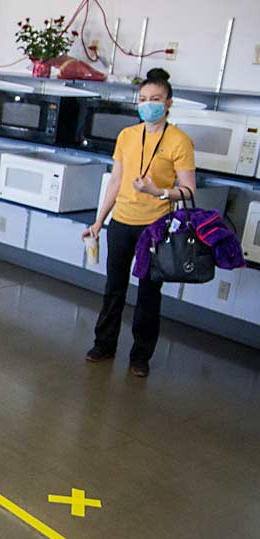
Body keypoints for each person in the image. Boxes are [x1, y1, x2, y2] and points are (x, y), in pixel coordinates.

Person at [81, 68, 196, 378]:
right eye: (143, 99)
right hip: (121, 222)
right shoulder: (127, 136)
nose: (148, 105)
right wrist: (98, 221)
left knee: (148, 294)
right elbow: (116, 180)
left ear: (169, 103)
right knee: (113, 288)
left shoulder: (179, 141)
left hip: (155, 227)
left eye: (155, 99)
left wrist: (158, 191)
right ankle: (103, 345)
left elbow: (188, 189)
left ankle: (140, 357)